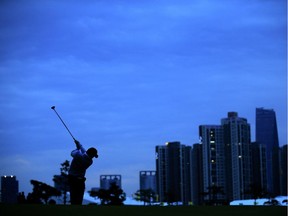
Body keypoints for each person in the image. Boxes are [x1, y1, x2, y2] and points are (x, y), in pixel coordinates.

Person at [68, 139, 98, 205]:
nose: (93, 157)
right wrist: (79, 145)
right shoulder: (90, 161)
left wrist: (78, 147)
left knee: (74, 195)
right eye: (93, 155)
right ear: (90, 154)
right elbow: (84, 152)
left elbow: (73, 152)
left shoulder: (78, 156)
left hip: (73, 178)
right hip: (78, 180)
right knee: (79, 196)